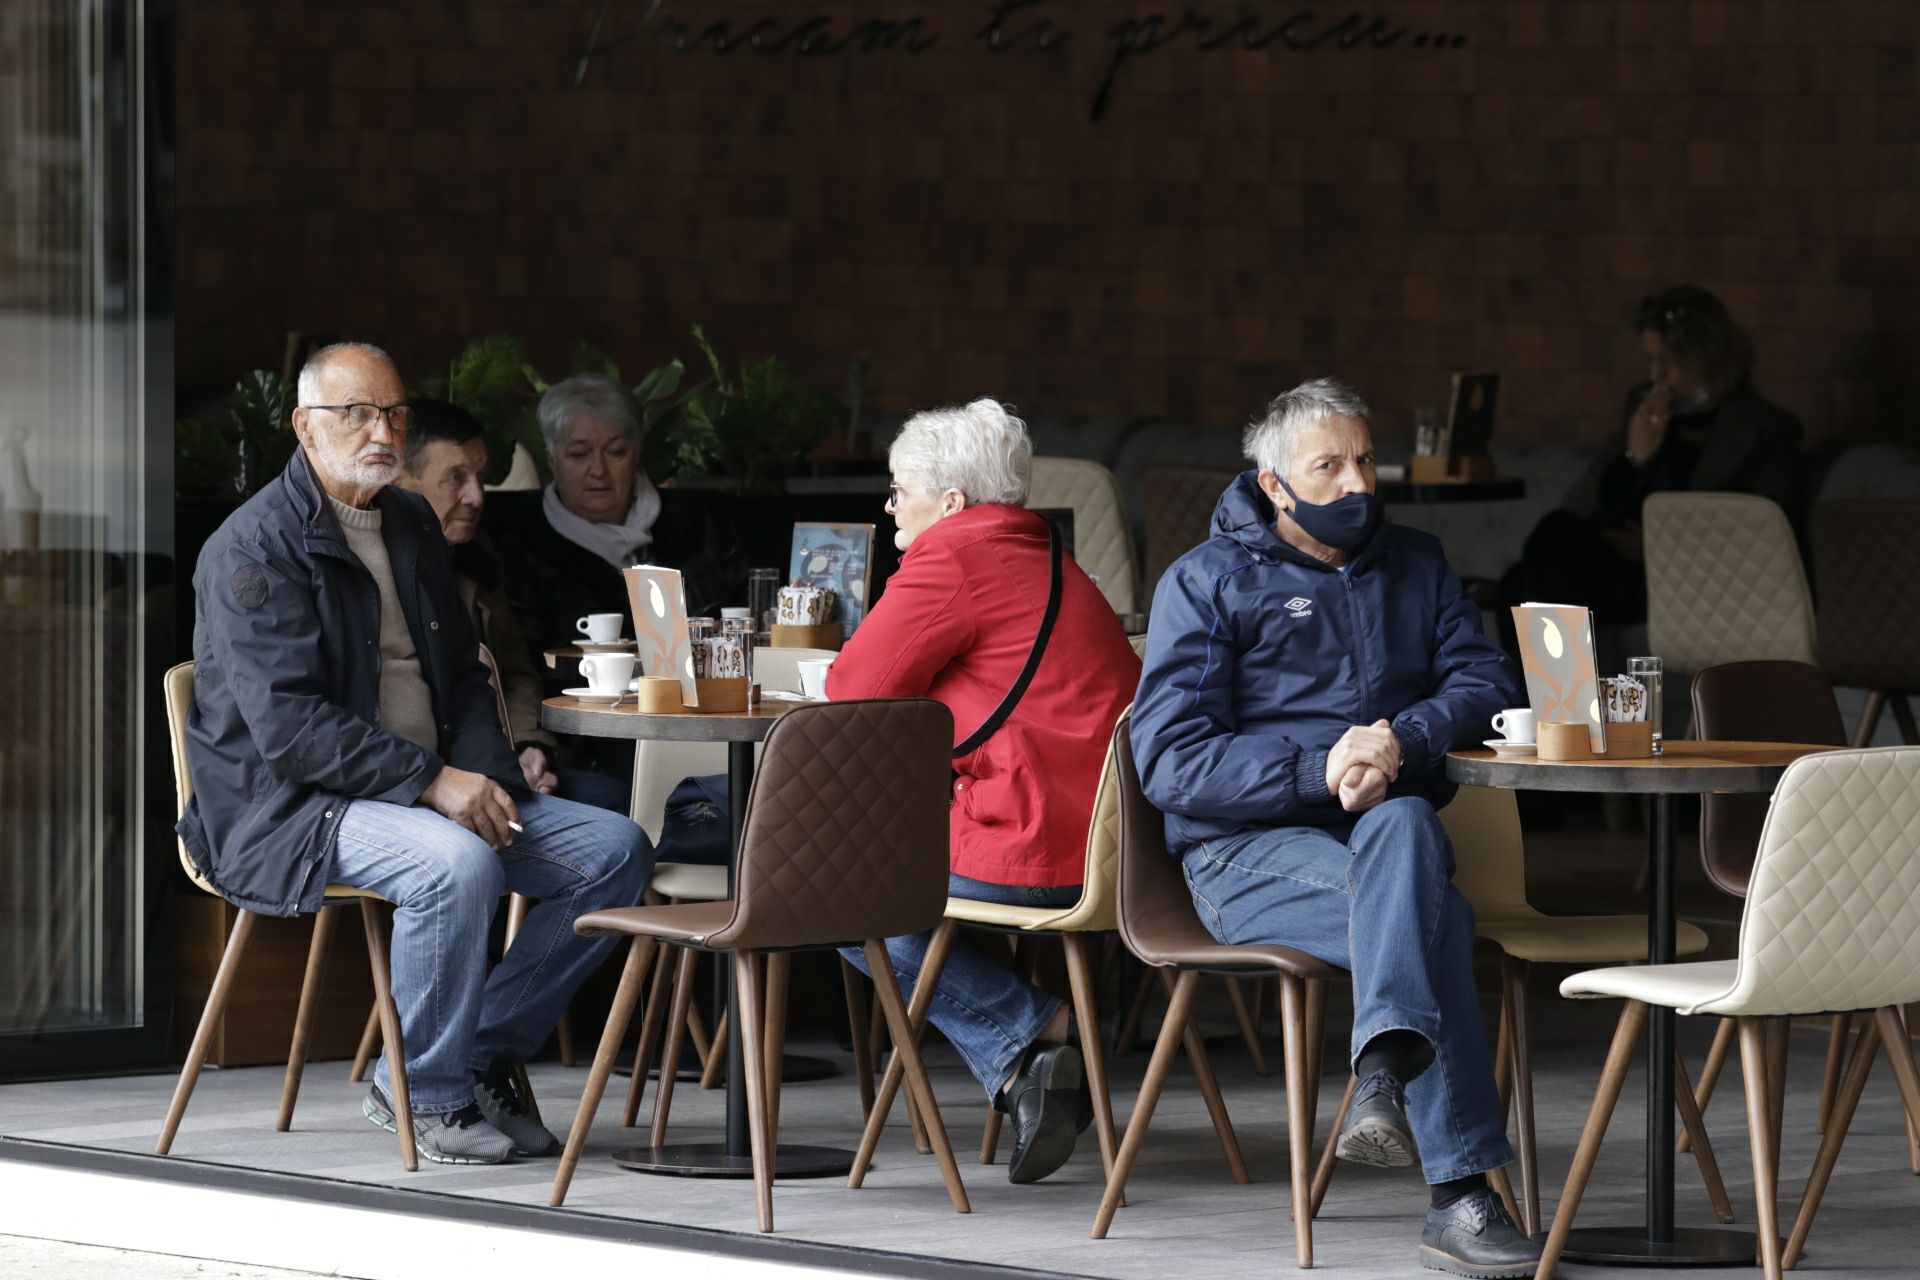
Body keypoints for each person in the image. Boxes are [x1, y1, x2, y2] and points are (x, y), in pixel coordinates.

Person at [178, 342, 653, 1165]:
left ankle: (472, 1052)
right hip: (290, 806)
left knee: (617, 850)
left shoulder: (409, 524)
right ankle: (426, 1098)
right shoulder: (253, 548)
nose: (379, 430)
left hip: (424, 785)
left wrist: (487, 780)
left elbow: (465, 678)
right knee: (455, 866)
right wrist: (433, 781)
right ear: (304, 427)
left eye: (392, 412)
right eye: (354, 413)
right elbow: (290, 729)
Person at [1130, 378, 1537, 1276]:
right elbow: (1170, 762)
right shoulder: (1205, 585)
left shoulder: (1418, 563)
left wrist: (1399, 739)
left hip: (1386, 831)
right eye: (1329, 466)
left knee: (1403, 830)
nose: (1357, 483)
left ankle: (1384, 1073)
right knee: (1439, 919)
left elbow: (1487, 686)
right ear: (1275, 484)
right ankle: (1461, 1196)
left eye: (1364, 459)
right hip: (1240, 859)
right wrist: (1318, 767)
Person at [826, 399, 1140, 1184]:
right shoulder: (1048, 553)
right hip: (1120, 851)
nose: (891, 505)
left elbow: (853, 691)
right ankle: (1028, 1055)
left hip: (1034, 839)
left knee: (829, 889)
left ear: (954, 503)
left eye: (901, 489)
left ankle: (1030, 1034)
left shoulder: (954, 558)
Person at [486, 374, 726, 855]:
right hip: (586, 744)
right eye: (578, 455)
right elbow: (520, 670)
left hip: (695, 726)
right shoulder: (519, 544)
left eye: (614, 451)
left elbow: (723, 628)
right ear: (552, 460)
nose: (598, 469)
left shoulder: (690, 528)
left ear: (636, 453)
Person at [1499, 284, 1804, 626]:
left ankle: (1561, 682)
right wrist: (1633, 458)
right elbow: (1581, 504)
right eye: (1651, 360)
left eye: (1672, 362)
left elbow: (1765, 536)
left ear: (1710, 358)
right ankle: (1561, 681)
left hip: (1690, 581)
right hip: (1614, 561)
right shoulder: (1642, 407)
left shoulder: (1768, 430)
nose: (1657, 376)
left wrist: (1661, 551)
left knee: (1520, 586)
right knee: (1548, 544)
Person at [392, 398, 559, 796]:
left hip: (496, 765)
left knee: (613, 805)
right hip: (421, 783)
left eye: (479, 476)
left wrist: (528, 746)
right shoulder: (371, 572)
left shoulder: (477, 559)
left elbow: (515, 672)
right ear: (398, 482)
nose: (477, 496)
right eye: (455, 477)